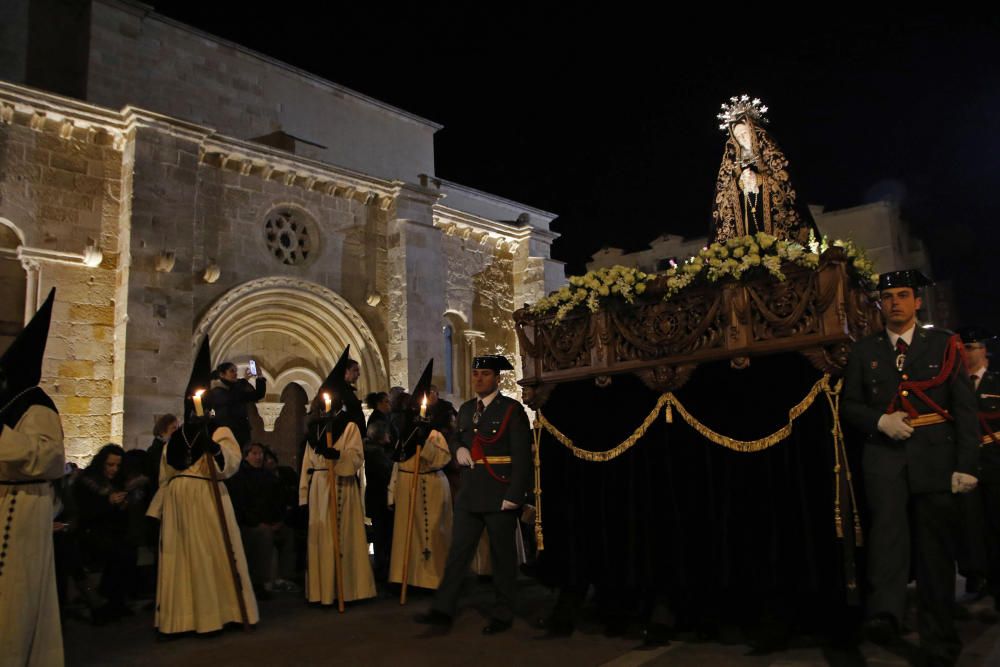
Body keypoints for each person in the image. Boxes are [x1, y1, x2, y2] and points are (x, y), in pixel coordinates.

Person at [842, 270, 978, 666]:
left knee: (935, 554)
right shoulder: (865, 350)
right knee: (888, 544)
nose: (895, 303)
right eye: (887, 297)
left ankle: (939, 641)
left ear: (917, 302)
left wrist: (967, 464)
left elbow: (965, 410)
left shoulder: (943, 344)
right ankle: (886, 615)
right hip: (884, 459)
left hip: (935, 458)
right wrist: (878, 421)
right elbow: (851, 404)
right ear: (880, 304)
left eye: (903, 295)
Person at [147, 337, 259, 635]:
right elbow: (166, 470)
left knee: (211, 555)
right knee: (180, 560)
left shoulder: (220, 430)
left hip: (208, 498)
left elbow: (231, 463)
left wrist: (215, 448)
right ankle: (180, 619)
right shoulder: (178, 436)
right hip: (180, 503)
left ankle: (218, 614)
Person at [416, 354, 532, 635]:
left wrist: (515, 494)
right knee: (458, 553)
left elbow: (522, 455)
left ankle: (503, 612)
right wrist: (458, 449)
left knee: (502, 557)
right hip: (470, 493)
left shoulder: (511, 410)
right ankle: (443, 609)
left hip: (499, 491)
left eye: (485, 374)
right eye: (476, 374)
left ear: (497, 378)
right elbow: (458, 436)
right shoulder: (467, 409)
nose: (479, 379)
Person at [0, 288, 65, 666]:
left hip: (22, 507)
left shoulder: (37, 406)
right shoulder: (11, 405)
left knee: (16, 592)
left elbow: (49, 457)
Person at [298, 348, 375, 606]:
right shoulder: (314, 430)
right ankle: (323, 591)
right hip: (320, 486)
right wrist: (303, 496)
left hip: (342, 484)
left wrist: (338, 458)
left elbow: (355, 457)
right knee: (323, 537)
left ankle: (351, 589)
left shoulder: (350, 426)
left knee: (345, 535)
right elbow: (307, 464)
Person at [710, 95, 818, 244]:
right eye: (738, 136)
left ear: (753, 132)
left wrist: (759, 179)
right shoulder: (732, 165)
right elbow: (723, 198)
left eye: (744, 133)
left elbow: (786, 185)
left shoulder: (771, 155)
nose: (742, 139)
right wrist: (740, 183)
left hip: (773, 224)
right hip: (745, 227)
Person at [388, 361, 453, 591]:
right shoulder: (404, 434)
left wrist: (424, 441)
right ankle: (409, 578)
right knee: (410, 535)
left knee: (433, 535)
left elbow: (442, 459)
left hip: (432, 484)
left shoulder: (434, 433)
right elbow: (397, 463)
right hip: (408, 484)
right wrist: (391, 492)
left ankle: (434, 579)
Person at [957, 327, 1000, 610]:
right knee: (970, 524)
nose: (968, 353)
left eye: (973, 347)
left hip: (995, 461)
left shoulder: (996, 383)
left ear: (984, 351)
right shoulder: (957, 385)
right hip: (969, 463)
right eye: (965, 348)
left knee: (995, 521)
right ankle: (976, 574)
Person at [226, 443, 299, 599]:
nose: (259, 457)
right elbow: (242, 506)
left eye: (261, 454)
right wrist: (258, 522)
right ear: (246, 456)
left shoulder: (269, 477)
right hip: (250, 524)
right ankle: (260, 581)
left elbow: (277, 501)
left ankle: (284, 577)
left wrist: (278, 520)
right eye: (254, 453)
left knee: (288, 532)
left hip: (269, 521)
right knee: (263, 535)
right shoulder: (240, 478)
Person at [75, 443, 137, 623]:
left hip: (113, 531)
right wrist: (107, 502)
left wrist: (123, 505)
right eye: (110, 465)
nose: (114, 469)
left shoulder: (119, 481)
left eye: (117, 465)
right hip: (90, 532)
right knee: (118, 553)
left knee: (127, 551)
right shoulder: (88, 481)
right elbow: (85, 512)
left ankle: (117, 601)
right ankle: (106, 603)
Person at [363, 418, 395, 584]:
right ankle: (383, 572)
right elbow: (387, 472)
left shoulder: (374, 451)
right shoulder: (376, 453)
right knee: (383, 538)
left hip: (376, 499)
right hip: (381, 500)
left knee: (381, 537)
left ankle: (383, 569)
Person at [207, 361, 266, 447]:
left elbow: (258, 395)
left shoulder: (236, 390)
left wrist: (260, 376)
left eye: (236, 371)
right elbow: (230, 398)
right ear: (222, 374)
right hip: (226, 434)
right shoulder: (217, 391)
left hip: (241, 433)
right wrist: (244, 381)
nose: (235, 374)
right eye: (232, 371)